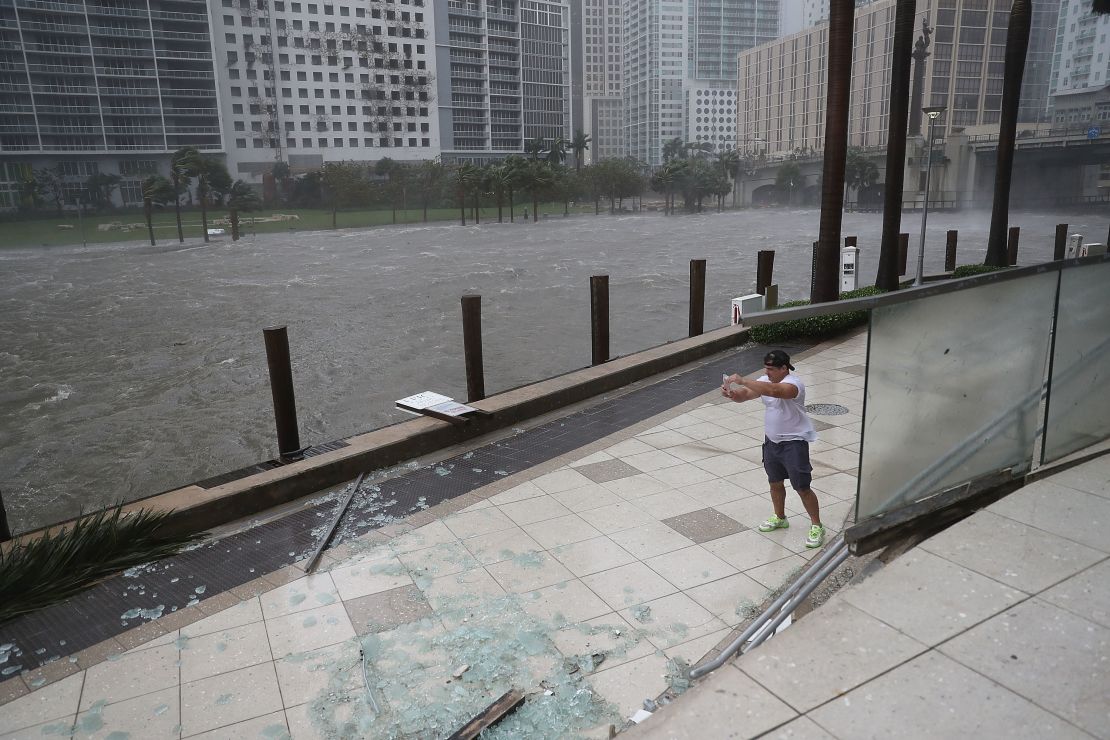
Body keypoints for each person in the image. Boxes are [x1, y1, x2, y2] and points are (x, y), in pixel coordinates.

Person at [722, 350, 825, 548]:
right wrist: (732, 394)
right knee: (775, 482)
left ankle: (817, 525)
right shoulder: (763, 381)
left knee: (802, 487)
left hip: (794, 443)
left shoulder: (794, 384)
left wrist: (742, 380)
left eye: (771, 369)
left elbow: (775, 391)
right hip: (771, 443)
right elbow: (746, 394)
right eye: (766, 368)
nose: (767, 372)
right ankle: (780, 517)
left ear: (784, 368)